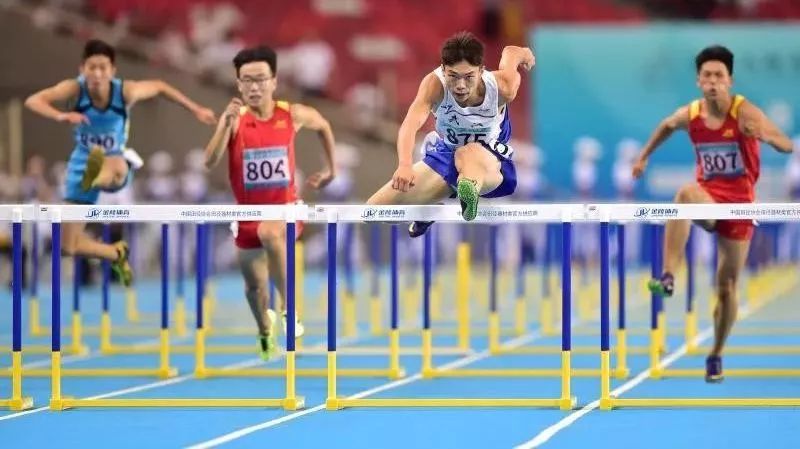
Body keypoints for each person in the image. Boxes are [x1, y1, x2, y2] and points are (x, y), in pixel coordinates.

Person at [632, 45, 794, 382]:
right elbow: (666, 125)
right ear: (698, 81)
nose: (713, 82)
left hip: (739, 205)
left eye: (719, 76)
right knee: (684, 194)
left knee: (727, 286)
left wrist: (763, 135)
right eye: (707, 76)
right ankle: (668, 276)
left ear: (729, 80)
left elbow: (786, 144)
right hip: (707, 198)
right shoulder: (691, 114)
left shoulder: (745, 111)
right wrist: (644, 156)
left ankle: (716, 352)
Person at [24, 39, 216, 285]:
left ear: (112, 70)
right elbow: (34, 100)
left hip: (116, 161)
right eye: (92, 67)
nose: (97, 73)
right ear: (82, 69)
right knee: (68, 245)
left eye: (103, 67)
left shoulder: (125, 91)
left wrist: (196, 108)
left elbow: (159, 86)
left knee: (114, 165)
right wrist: (61, 115)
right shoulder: (74, 88)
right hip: (82, 163)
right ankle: (115, 253)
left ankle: (95, 177)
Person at [204, 45, 336, 360]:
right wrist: (224, 124)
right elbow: (209, 161)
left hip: (287, 209)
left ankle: (290, 309)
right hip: (248, 214)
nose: (254, 87)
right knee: (254, 287)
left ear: (274, 81)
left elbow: (323, 125)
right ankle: (265, 329)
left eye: (260, 79)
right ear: (238, 84)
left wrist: (331, 169)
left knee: (270, 232)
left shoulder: (292, 114)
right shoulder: (235, 120)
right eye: (247, 80)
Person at [366, 31, 534, 237]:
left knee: (468, 152)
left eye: (468, 77)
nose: (460, 86)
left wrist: (523, 54)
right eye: (453, 76)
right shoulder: (434, 85)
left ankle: (468, 191)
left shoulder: (503, 88)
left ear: (481, 71)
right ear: (444, 70)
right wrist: (405, 165)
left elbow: (511, 53)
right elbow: (410, 124)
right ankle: (427, 210)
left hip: (489, 163)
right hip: (447, 156)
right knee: (373, 211)